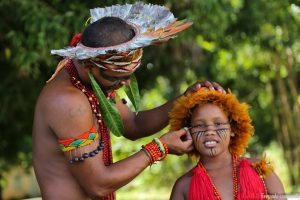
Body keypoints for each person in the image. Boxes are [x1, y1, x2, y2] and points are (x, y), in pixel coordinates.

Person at [32, 2, 224, 200]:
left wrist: (185, 99)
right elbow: (98, 185)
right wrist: (160, 148)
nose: (123, 84)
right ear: (89, 66)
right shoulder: (69, 102)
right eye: (116, 77)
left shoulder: (95, 83)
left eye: (128, 77)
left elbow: (133, 124)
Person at [169, 88, 285, 200]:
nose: (209, 131)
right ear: (188, 132)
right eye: (199, 125)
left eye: (218, 124)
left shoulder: (261, 171)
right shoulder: (183, 186)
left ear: (233, 129)